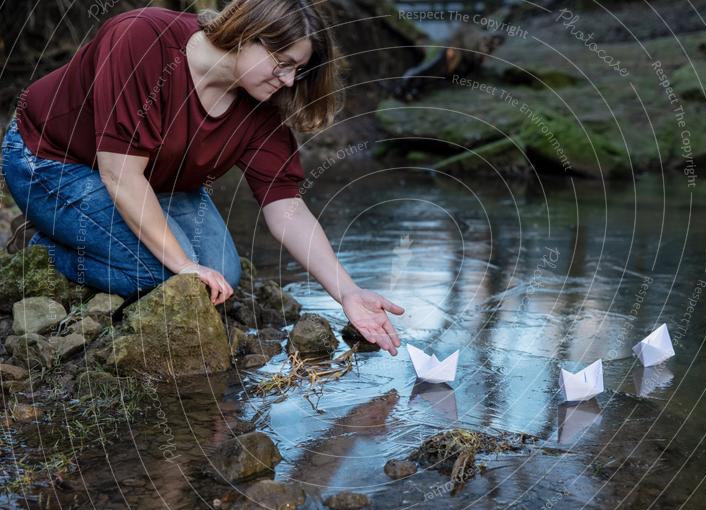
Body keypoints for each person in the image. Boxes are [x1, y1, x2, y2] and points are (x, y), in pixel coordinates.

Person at [0, 0, 404, 355]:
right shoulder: (142, 38)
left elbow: (287, 208)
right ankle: (43, 248)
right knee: (165, 273)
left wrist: (347, 291)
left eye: (297, 70)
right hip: (52, 160)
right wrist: (182, 264)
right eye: (283, 64)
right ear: (248, 33)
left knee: (222, 277)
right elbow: (119, 173)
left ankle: (96, 234)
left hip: (156, 180)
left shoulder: (262, 105)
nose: (288, 81)